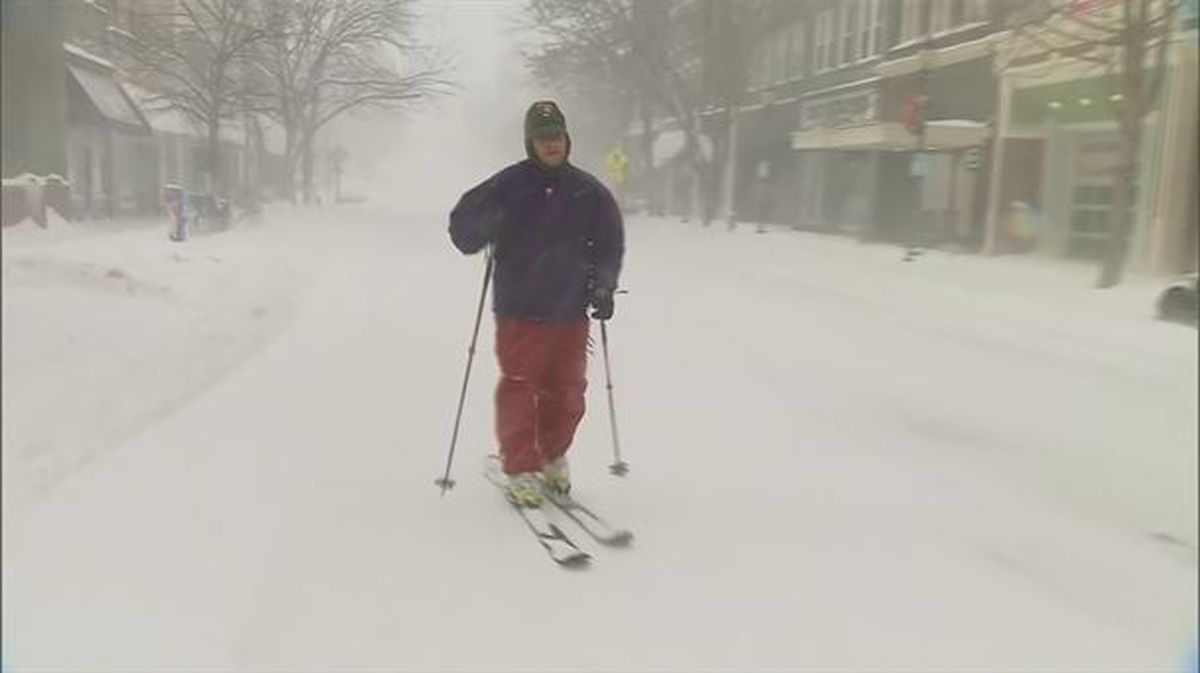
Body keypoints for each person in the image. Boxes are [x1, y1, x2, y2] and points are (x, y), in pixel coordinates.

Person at [449, 100, 625, 507]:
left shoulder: (590, 192)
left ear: (567, 140)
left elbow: (610, 244)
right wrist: (483, 225)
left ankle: (551, 455)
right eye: (544, 138)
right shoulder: (509, 185)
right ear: (531, 142)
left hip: (570, 310)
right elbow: (462, 228)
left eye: (557, 136)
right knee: (520, 387)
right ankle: (521, 467)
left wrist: (604, 286)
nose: (552, 144)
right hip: (519, 309)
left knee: (567, 392)